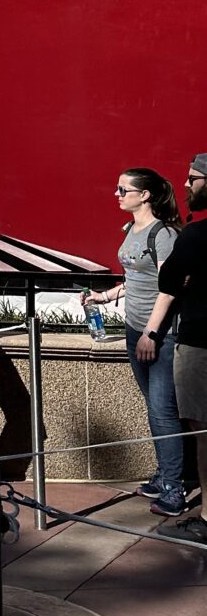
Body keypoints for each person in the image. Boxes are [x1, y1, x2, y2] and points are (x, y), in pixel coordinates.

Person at [81, 169, 186, 515]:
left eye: (123, 189)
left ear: (145, 195)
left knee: (163, 410)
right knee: (154, 408)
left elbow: (169, 287)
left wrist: (152, 333)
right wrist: (105, 296)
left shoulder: (164, 234)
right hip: (134, 330)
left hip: (159, 335)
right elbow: (136, 279)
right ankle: (164, 474)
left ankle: (174, 487)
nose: (117, 194)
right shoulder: (131, 231)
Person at [136, 154, 207, 544]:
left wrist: (150, 330)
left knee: (201, 430)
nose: (186, 185)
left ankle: (205, 514)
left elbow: (169, 278)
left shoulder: (193, 235)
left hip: (198, 342)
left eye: (194, 178)